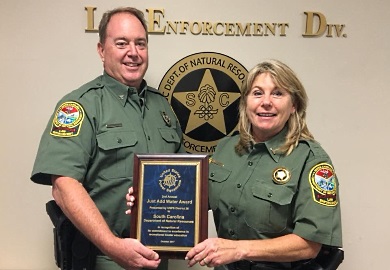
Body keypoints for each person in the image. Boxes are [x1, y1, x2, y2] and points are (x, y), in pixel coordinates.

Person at [31, 7, 184, 270]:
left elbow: (183, 180)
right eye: (121, 43)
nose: (133, 52)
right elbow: (63, 186)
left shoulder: (163, 108)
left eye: (140, 43)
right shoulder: (81, 106)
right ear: (102, 50)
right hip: (103, 258)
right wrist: (112, 246)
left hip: (159, 259)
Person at [183, 59, 343, 269]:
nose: (266, 102)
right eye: (257, 93)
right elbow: (193, 202)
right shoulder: (225, 149)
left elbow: (310, 243)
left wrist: (239, 249)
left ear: (294, 105)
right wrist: (148, 200)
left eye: (278, 93)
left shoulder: (312, 160)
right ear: (245, 103)